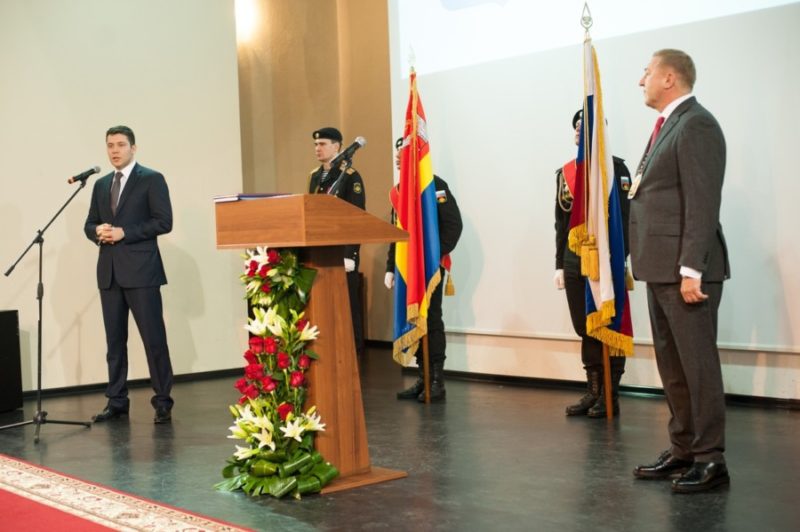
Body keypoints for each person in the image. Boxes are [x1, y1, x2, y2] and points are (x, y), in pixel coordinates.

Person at [629, 50, 730, 493]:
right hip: (661, 267)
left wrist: (692, 268)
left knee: (697, 366)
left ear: (669, 78)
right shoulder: (669, 125)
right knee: (673, 366)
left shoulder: (696, 124)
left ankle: (710, 458)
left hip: (686, 271)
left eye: (647, 72)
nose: (641, 80)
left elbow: (702, 201)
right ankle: (684, 448)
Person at [84, 125, 174, 424]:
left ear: (133, 148)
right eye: (110, 145)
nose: (115, 150)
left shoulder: (151, 179)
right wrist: (97, 231)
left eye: (121, 145)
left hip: (142, 272)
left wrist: (125, 232)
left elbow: (163, 222)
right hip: (109, 273)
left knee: (153, 339)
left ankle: (163, 401)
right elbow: (89, 223)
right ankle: (117, 401)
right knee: (114, 342)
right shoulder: (101, 184)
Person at [554, 110, 632, 418]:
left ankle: (611, 394)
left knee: (608, 326)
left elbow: (627, 220)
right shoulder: (566, 173)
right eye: (576, 127)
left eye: (584, 127)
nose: (578, 131)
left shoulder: (616, 169)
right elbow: (561, 224)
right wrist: (559, 265)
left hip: (607, 262)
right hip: (575, 261)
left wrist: (621, 260)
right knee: (585, 327)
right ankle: (594, 391)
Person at [386, 137, 463, 402]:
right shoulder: (398, 191)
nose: (398, 156)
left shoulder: (435, 185)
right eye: (397, 152)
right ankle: (423, 376)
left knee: (431, 319)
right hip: (407, 269)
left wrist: (431, 257)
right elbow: (396, 233)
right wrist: (390, 268)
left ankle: (437, 379)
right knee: (413, 319)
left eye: (403, 152)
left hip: (431, 269)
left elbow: (453, 225)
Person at [308, 127, 366, 356]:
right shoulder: (314, 176)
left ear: (337, 147)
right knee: (324, 305)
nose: (317, 148)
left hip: (342, 251)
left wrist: (351, 253)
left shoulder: (350, 176)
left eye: (322, 144)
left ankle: (353, 352)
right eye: (315, 144)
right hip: (321, 249)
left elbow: (357, 217)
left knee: (347, 306)